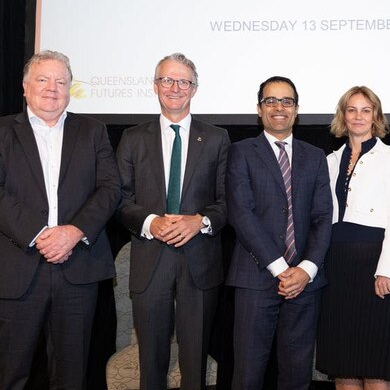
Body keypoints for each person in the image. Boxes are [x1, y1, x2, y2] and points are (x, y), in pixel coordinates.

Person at [0, 50, 120, 389]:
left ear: (70, 89)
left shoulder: (93, 131)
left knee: (72, 376)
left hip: (77, 269)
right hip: (17, 269)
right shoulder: (3, 131)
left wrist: (74, 231)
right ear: (25, 87)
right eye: (43, 79)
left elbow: (110, 189)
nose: (52, 88)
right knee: (11, 373)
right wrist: (39, 234)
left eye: (61, 81)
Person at [115, 53, 229, 390]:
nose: (175, 87)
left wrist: (200, 221)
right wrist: (151, 222)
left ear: (194, 88)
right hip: (150, 262)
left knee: (194, 367)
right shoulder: (133, 138)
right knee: (151, 366)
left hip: (200, 262)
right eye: (167, 80)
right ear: (155, 86)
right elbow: (119, 198)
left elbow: (227, 201)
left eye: (183, 81)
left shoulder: (217, 137)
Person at [226, 76, 332, 390]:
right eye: (270, 101)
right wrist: (283, 270)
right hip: (255, 279)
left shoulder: (314, 156)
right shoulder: (241, 152)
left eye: (286, 101)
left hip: (305, 284)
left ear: (296, 110)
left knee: (298, 375)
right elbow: (241, 214)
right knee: (248, 374)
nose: (279, 107)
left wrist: (306, 270)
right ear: (259, 109)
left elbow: (324, 216)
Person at [316, 86, 390, 389]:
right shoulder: (329, 161)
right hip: (336, 267)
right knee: (343, 365)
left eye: (366, 110)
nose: (358, 116)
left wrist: (387, 270)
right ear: (343, 116)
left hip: (373, 267)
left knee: (374, 366)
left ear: (376, 117)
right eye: (352, 109)